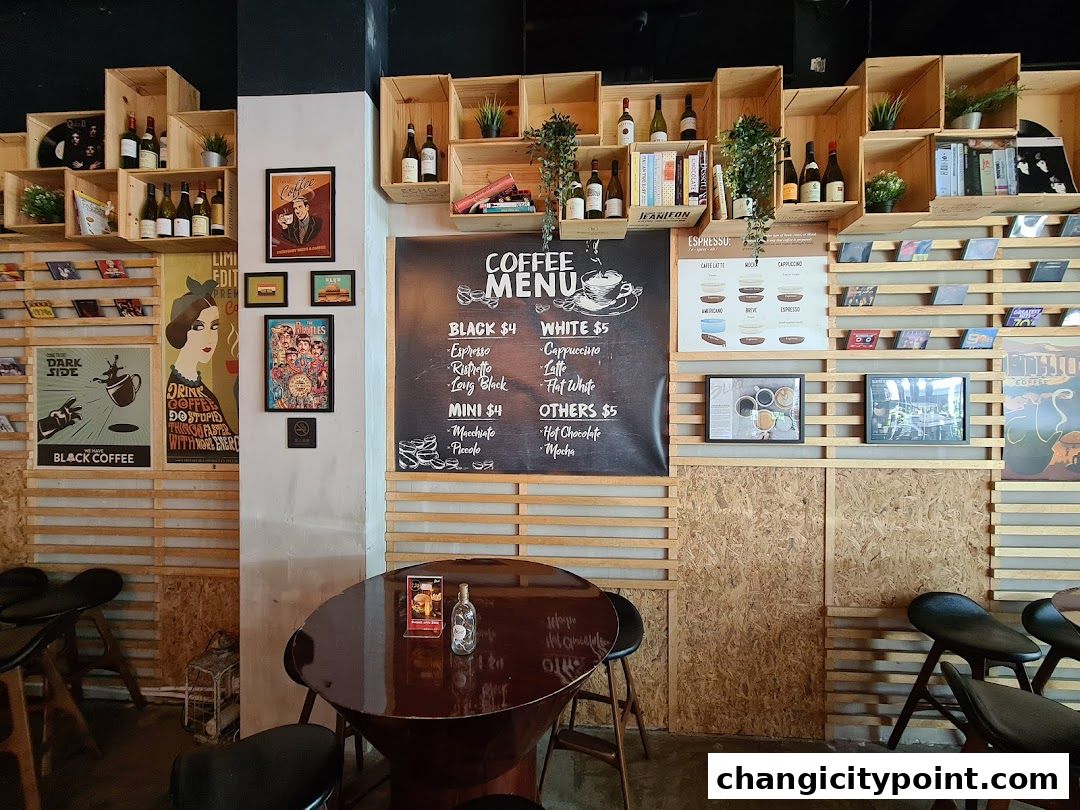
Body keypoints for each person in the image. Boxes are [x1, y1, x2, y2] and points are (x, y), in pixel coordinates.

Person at [165, 277, 238, 458]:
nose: (209, 338)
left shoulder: (202, 391)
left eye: (214, 327)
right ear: (181, 331)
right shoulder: (176, 393)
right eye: (198, 327)